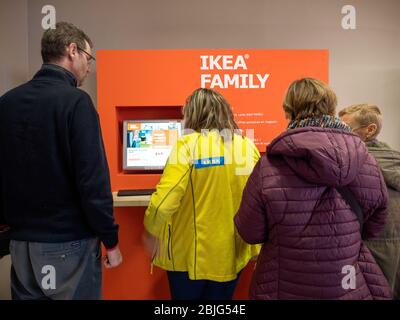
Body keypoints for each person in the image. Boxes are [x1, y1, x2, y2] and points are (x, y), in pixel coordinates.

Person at [234, 78, 392, 299]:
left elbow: (249, 232)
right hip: (346, 282)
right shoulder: (366, 161)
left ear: (288, 111)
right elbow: (376, 225)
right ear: (332, 109)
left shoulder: (269, 166)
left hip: (283, 283)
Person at [0, 22, 122, 300]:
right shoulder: (76, 103)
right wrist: (111, 241)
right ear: (72, 50)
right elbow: (92, 181)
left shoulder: (6, 103)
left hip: (21, 246)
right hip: (68, 245)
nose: (89, 68)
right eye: (88, 59)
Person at [143, 88, 260, 300]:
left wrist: (151, 229)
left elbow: (164, 202)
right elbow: (258, 201)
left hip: (191, 257)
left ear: (193, 113)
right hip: (233, 254)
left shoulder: (187, 145)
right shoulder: (246, 146)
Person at [339, 104, 400, 299]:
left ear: (370, 130)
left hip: (371, 247)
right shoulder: (394, 159)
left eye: (346, 129)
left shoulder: (356, 167)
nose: (341, 135)